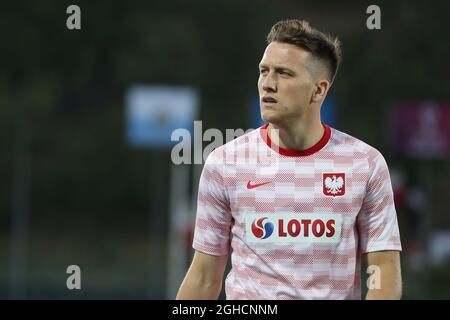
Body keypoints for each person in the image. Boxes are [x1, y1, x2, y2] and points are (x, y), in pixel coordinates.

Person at [176, 19, 402, 300]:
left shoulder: (365, 164)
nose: (268, 84)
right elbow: (203, 279)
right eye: (264, 71)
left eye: (284, 73)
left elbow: (384, 275)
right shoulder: (225, 163)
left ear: (318, 90)